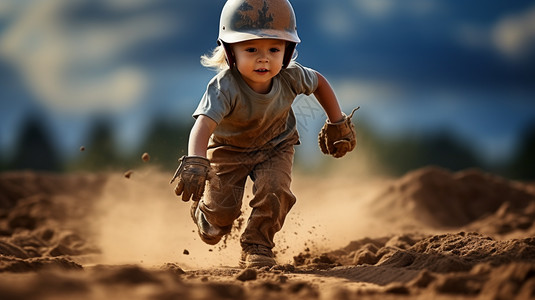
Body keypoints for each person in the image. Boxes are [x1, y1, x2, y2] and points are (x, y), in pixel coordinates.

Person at [170, 0, 358, 268]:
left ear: (288, 50)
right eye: (251, 49)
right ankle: (207, 216)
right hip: (228, 151)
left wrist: (337, 121)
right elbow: (202, 125)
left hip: (276, 147)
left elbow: (319, 82)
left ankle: (258, 245)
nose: (263, 58)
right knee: (217, 224)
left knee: (275, 191)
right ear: (230, 51)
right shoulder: (224, 87)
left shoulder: (290, 77)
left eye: (274, 48)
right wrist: (196, 160)